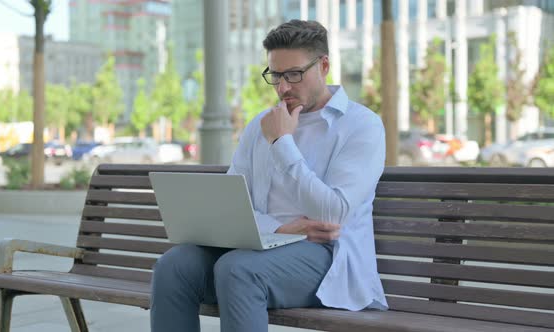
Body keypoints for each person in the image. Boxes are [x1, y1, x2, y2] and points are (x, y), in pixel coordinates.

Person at [150, 19, 388, 332]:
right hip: (260, 247)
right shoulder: (259, 124)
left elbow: (333, 213)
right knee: (174, 265)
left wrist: (282, 143)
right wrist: (282, 228)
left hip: (328, 260)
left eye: (294, 74)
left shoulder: (361, 126)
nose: (283, 87)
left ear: (324, 65)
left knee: (238, 270)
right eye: (275, 75)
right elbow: (233, 207)